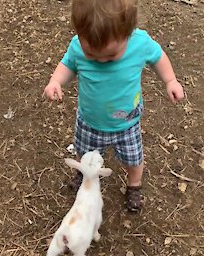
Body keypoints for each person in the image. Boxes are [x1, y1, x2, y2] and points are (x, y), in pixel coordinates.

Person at [43, 0, 184, 213]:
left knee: (134, 159)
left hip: (127, 124)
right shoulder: (77, 45)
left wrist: (170, 80)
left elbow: (158, 57)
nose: (99, 59)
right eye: (91, 54)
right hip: (90, 123)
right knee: (84, 153)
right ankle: (83, 173)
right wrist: (56, 81)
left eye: (109, 56)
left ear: (128, 33)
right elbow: (67, 65)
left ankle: (134, 184)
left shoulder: (140, 42)